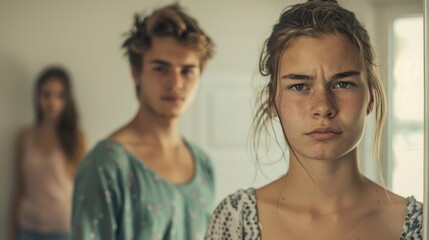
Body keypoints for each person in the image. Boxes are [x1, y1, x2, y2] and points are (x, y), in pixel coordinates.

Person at [205, 0, 423, 239]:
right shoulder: (235, 222)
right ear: (272, 101)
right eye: (299, 86)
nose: (323, 107)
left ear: (371, 96)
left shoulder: (420, 225)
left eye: (343, 84)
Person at [71, 3, 215, 240]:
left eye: (187, 71)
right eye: (160, 69)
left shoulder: (203, 164)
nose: (176, 83)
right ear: (136, 72)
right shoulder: (105, 164)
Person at [10, 66, 87, 240]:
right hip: (28, 226)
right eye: (46, 95)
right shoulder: (24, 136)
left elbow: (84, 191)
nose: (52, 102)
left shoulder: (77, 138)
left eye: (59, 95)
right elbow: (18, 187)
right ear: (37, 97)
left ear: (67, 100)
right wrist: (11, 231)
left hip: (62, 228)